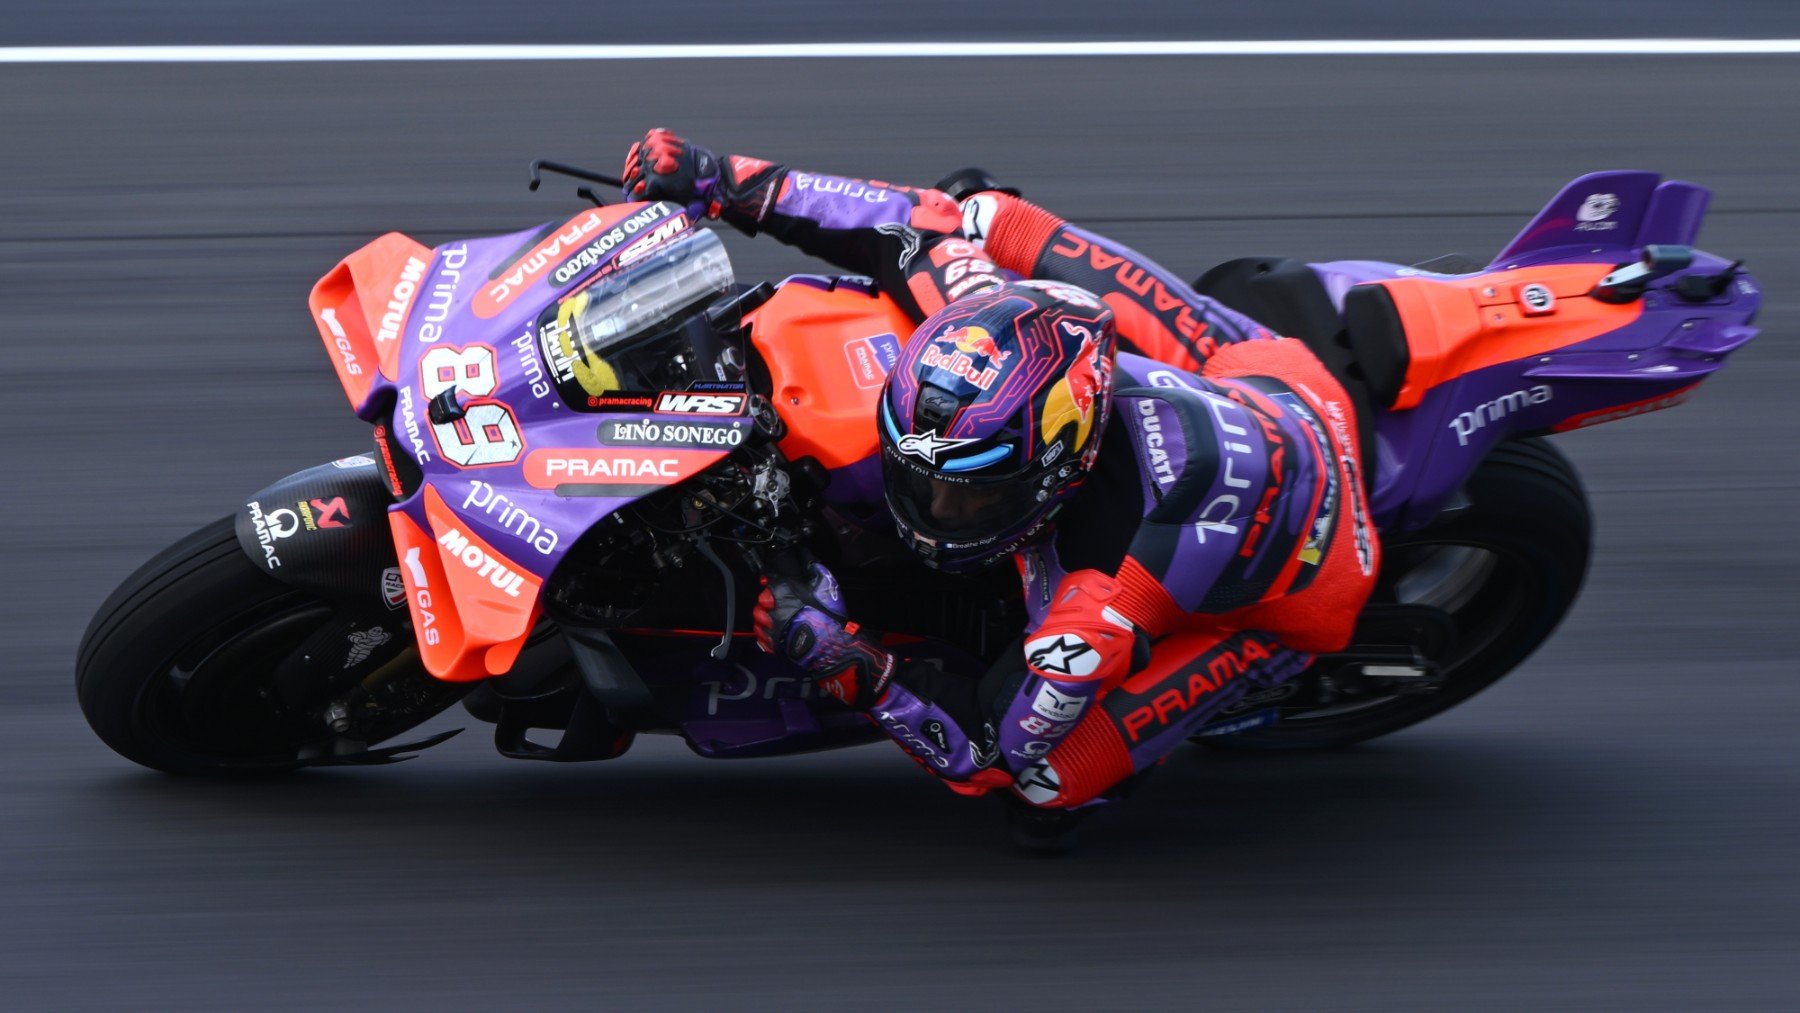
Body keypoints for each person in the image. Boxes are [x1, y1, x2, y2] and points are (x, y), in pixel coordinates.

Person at [622, 129, 1380, 843]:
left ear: (1056, 476)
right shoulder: (978, 322)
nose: (932, 511)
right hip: (1255, 371)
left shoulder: (1091, 610)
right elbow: (913, 224)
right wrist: (722, 180)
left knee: (1043, 784)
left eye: (970, 495)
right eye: (920, 480)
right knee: (978, 214)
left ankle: (1223, 699)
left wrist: (847, 661)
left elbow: (986, 745)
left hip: (1309, 569)